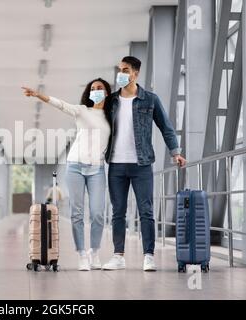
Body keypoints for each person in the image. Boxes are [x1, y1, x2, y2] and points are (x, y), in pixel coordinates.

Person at [102, 56, 186, 272]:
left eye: (126, 69)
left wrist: (175, 152)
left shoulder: (150, 99)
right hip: (116, 164)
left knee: (146, 211)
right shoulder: (111, 101)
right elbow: (97, 127)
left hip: (142, 164)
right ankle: (118, 256)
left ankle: (148, 256)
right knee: (118, 212)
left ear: (136, 73)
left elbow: (166, 127)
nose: (121, 73)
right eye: (119, 69)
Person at [22, 79, 111, 271]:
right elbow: (60, 105)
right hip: (75, 166)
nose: (96, 91)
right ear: (89, 93)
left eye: (100, 88)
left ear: (107, 92)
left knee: (97, 213)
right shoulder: (81, 110)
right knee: (77, 213)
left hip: (97, 169)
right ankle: (81, 255)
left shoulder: (111, 115)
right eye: (93, 89)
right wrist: (38, 95)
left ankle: (94, 252)